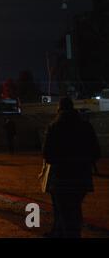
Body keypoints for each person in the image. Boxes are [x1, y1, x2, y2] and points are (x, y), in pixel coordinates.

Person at [40, 97, 101, 238]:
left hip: (62, 179)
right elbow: (96, 153)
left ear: (59, 109)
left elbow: (47, 155)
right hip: (82, 178)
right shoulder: (86, 126)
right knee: (73, 211)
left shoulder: (54, 127)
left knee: (66, 215)